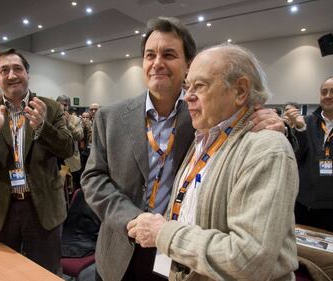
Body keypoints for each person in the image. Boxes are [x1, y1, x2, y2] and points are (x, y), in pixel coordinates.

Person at [81, 17, 286, 281]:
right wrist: (132, 220)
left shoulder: (208, 116)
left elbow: (249, 128)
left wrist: (278, 126)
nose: (157, 63)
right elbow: (92, 178)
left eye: (169, 54)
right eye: (149, 55)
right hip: (121, 245)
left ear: (189, 64)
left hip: (182, 253)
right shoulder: (110, 117)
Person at [127, 44, 299, 281]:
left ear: (240, 91)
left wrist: (163, 232)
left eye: (200, 86)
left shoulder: (266, 149)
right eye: (187, 86)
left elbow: (248, 259)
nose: (187, 96)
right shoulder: (202, 139)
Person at [0, 48, 74, 273]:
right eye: (4, 70)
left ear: (28, 74)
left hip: (41, 206)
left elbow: (68, 148)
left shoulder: (48, 107)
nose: (11, 75)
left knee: (46, 271)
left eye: (17, 69)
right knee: (0, 272)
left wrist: (43, 126)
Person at [285, 76, 333, 235]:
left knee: (329, 259)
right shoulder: (306, 122)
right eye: (324, 92)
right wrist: (300, 130)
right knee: (300, 253)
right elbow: (294, 158)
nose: (327, 96)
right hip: (303, 203)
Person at [56, 95, 84, 190]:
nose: (64, 107)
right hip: (57, 160)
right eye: (62, 104)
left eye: (66, 105)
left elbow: (79, 136)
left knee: (73, 187)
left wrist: (69, 124)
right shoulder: (52, 119)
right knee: (61, 186)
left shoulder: (76, 119)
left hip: (71, 159)